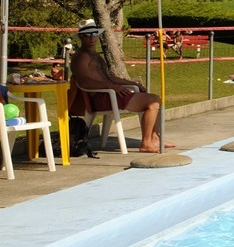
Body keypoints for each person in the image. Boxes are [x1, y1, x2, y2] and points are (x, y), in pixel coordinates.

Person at [70, 21, 168, 153]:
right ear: (81, 37)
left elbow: (109, 77)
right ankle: (146, 143)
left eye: (94, 34)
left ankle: (155, 138)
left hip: (110, 93)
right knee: (153, 101)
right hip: (102, 97)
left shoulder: (95, 56)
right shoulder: (81, 57)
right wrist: (112, 87)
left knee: (155, 99)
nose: (92, 37)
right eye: (87, 35)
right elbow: (84, 82)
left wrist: (132, 83)